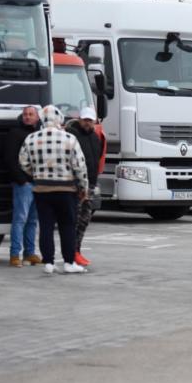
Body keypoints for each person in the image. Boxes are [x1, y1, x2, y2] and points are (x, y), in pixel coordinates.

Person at [18, 105, 88, 274]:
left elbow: (23, 162)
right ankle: (69, 262)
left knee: (46, 226)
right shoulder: (70, 139)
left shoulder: (31, 139)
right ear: (59, 119)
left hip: (42, 190)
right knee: (67, 226)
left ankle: (48, 262)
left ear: (42, 118)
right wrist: (83, 187)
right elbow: (79, 166)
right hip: (66, 189)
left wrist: (36, 174)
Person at [64, 107, 105, 267]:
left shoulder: (95, 137)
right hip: (76, 185)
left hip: (91, 185)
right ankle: (71, 252)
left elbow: (97, 158)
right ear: (80, 119)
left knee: (84, 220)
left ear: (94, 121)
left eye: (90, 120)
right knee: (74, 220)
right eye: (85, 120)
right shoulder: (72, 135)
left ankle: (77, 251)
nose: (87, 123)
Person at [4, 105, 41, 267]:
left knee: (33, 220)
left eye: (30, 114)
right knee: (20, 219)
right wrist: (22, 180)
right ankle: (14, 255)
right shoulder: (15, 133)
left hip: (38, 183)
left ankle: (30, 253)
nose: (27, 116)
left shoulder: (40, 134)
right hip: (23, 185)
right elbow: (9, 159)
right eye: (25, 114)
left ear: (37, 117)